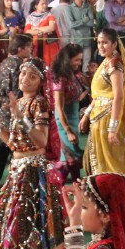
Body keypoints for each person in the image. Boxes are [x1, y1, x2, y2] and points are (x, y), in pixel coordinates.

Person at [0, 57, 64, 249]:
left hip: (32, 171)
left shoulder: (38, 103)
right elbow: (11, 143)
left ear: (41, 82)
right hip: (17, 168)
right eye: (23, 74)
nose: (25, 79)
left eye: (32, 76)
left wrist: (21, 116)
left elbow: (40, 141)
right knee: (5, 219)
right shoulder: (19, 102)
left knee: (28, 226)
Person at [0, 33, 35, 188]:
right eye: (29, 47)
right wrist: (18, 106)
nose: (31, 50)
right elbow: (16, 89)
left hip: (3, 105)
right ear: (20, 49)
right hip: (11, 108)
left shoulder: (5, 62)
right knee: (2, 144)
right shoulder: (19, 65)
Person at [83, 28, 125, 176]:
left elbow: (119, 96)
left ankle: (114, 193)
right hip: (98, 115)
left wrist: (112, 128)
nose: (101, 46)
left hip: (108, 117)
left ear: (114, 45)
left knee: (111, 161)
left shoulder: (115, 64)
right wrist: (86, 115)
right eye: (99, 42)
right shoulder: (106, 62)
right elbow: (98, 95)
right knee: (101, 159)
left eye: (105, 43)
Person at [51, 43, 89, 184]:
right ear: (68, 60)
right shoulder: (60, 78)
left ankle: (75, 183)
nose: (79, 63)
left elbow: (82, 90)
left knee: (70, 155)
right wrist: (68, 131)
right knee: (71, 155)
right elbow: (59, 108)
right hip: (64, 118)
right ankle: (62, 185)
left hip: (73, 116)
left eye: (80, 60)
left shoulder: (74, 74)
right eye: (76, 60)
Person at [25, 0, 60, 70]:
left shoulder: (50, 15)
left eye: (46, 4)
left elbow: (51, 28)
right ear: (36, 6)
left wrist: (36, 28)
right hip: (35, 46)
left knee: (49, 66)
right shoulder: (30, 17)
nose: (45, 6)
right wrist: (43, 29)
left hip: (48, 45)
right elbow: (27, 32)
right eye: (42, 4)